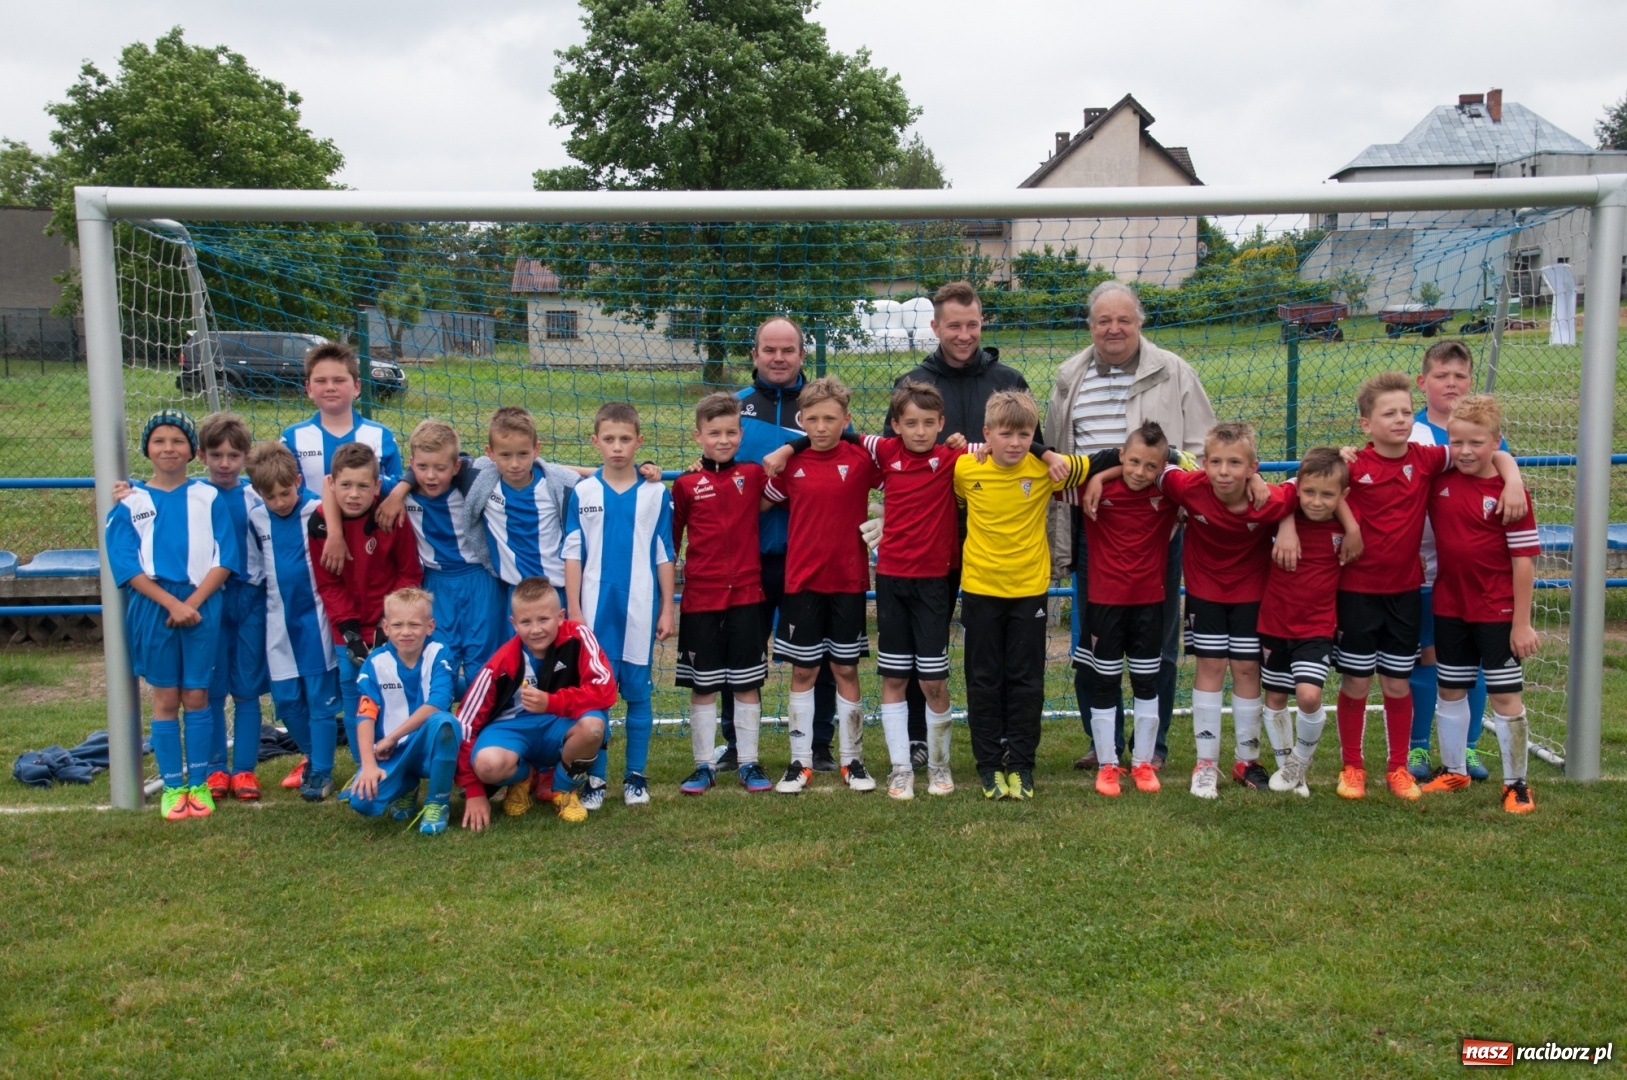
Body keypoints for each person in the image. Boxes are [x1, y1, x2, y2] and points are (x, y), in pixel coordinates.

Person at [1295, 372, 1524, 802]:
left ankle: (1398, 767)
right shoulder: (1351, 465)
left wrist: (1512, 479)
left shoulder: (1428, 458)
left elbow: (1490, 450)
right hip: (1356, 594)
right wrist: (1349, 525)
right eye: (1389, 414)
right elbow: (1302, 491)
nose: (1401, 419)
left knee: (1397, 684)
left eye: (1405, 411)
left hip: (1405, 594)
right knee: (1356, 683)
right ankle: (1352, 766)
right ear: (1366, 424)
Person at [1045, 279, 1215, 772]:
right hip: (1094, 528)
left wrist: (1137, 480)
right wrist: (1091, 483)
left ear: (1140, 323)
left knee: (1156, 640)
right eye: (1104, 320)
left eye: (1124, 319)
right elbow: (1059, 454)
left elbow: (1202, 449)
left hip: (1157, 530)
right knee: (1093, 642)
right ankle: (1102, 742)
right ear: (1090, 326)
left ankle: (1151, 746)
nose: (1114, 328)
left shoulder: (1174, 372)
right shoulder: (1069, 376)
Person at [879, 280, 1029, 767]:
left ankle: (1002, 735)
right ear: (935, 326)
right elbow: (892, 457)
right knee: (925, 643)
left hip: (996, 538)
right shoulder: (912, 383)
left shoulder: (1009, 381)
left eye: (972, 324)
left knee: (996, 645)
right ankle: (917, 737)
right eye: (954, 326)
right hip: (931, 541)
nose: (964, 335)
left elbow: (1031, 446)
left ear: (982, 323)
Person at [954, 390, 1096, 801]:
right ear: (987, 434)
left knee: (1026, 680)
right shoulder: (965, 468)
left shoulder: (1046, 468)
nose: (1015, 443)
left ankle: (1021, 764)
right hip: (980, 590)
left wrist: (1047, 453)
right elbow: (955, 494)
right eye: (1006, 434)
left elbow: (1105, 461)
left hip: (1029, 592)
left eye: (1025, 435)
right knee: (983, 680)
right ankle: (988, 765)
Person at [1150, 422, 1303, 799]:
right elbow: (1159, 469)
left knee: (1248, 669)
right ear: (1203, 464)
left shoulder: (1268, 498)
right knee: (1211, 667)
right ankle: (1206, 763)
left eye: (1235, 463)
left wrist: (1286, 522)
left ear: (1253, 467)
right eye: (1215, 462)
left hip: (1252, 595)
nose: (1223, 471)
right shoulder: (1189, 486)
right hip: (1205, 594)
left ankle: (1246, 760)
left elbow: (1303, 484)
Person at [716, 316, 838, 773]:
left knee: (817, 654)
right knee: (741, 652)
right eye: (770, 349)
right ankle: (736, 745)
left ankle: (819, 744)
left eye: (788, 350)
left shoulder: (823, 412)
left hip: (810, 556)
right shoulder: (735, 409)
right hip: (747, 556)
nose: (779, 358)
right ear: (755, 354)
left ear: (803, 354)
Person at [104, 410, 233, 821]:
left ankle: (199, 783)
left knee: (196, 695)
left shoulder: (209, 497)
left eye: (177, 441)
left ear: (193, 451)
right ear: (147, 449)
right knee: (165, 698)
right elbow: (127, 566)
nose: (168, 448)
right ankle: (173, 786)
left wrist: (191, 603)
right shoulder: (131, 501)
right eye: (159, 441)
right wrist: (173, 604)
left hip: (201, 603)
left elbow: (225, 557)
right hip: (154, 607)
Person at [761, 376, 884, 794]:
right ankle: (800, 762)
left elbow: (902, 485)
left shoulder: (862, 459)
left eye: (830, 418)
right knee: (803, 669)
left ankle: (853, 761)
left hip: (848, 581)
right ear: (802, 420)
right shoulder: (791, 464)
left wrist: (885, 514)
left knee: (846, 668)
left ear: (846, 419)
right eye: (812, 419)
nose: (821, 426)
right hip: (801, 583)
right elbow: (757, 502)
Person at [1419, 395, 1540, 812]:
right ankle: (1454, 770)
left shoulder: (1511, 494)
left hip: (1497, 610)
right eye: (1457, 442)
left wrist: (1521, 623)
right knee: (1450, 688)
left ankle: (1516, 784)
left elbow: (1523, 562)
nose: (1466, 451)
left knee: (1505, 697)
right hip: (1450, 605)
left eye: (1477, 443)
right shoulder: (1440, 480)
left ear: (1496, 442)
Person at [563, 402, 677, 808]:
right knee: (596, 696)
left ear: (639, 441)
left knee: (637, 694)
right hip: (594, 611)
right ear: (594, 441)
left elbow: (665, 552)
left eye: (625, 439)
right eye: (609, 439)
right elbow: (572, 551)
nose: (617, 447)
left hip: (640, 609)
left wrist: (667, 608)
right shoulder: (583, 491)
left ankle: (635, 777)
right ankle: (596, 780)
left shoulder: (655, 492)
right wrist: (574, 609)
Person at [1407, 341, 1506, 782]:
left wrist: (1513, 479)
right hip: (1420, 569)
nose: (1451, 383)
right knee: (1424, 657)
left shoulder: (1482, 432)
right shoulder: (1411, 432)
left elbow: (1501, 462)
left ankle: (1467, 747)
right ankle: (1417, 746)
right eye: (1442, 376)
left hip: (1473, 573)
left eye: (1460, 376)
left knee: (1474, 662)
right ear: (1422, 382)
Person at [454, 576, 618, 829]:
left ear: (560, 617)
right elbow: (466, 722)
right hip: (513, 728)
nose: (536, 629)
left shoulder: (578, 637)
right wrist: (474, 790)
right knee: (487, 765)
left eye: (543, 619)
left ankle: (563, 789)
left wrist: (551, 702)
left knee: (594, 727)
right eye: (526, 622)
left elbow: (605, 691)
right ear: (513, 623)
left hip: (559, 723)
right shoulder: (503, 662)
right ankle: (523, 776)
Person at [671, 393, 773, 796]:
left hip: (747, 595)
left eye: (731, 432)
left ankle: (748, 762)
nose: (723, 440)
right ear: (698, 436)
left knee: (747, 683)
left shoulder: (753, 474)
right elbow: (671, 541)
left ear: (741, 434)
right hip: (701, 599)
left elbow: (785, 486)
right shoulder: (685, 484)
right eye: (714, 433)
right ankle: (703, 765)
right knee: (704, 686)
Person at [1075, 421, 1181, 797]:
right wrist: (1101, 476)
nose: (1139, 472)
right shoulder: (1091, 490)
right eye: (1133, 462)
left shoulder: (1169, 493)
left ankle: (1142, 764)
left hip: (1150, 605)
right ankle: (1107, 766)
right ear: (1121, 456)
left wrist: (1106, 472)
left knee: (1146, 682)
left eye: (1151, 466)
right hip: (1104, 605)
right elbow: (1047, 475)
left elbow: (1198, 473)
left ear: (1162, 467)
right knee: (1104, 682)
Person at [308, 442, 424, 770]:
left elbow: (409, 572)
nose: (354, 494)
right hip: (349, 629)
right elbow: (329, 584)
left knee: (398, 689)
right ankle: (364, 767)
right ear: (332, 485)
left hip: (391, 624)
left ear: (376, 486)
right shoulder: (320, 525)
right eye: (345, 485)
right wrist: (350, 633)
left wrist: (390, 623)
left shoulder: (390, 516)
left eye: (363, 486)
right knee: (354, 692)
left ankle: (401, 765)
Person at [245, 442, 343, 801]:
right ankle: (314, 756)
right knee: (286, 700)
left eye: (285, 493)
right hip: (278, 621)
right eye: (270, 496)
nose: (280, 502)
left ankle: (322, 771)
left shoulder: (318, 511)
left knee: (319, 700)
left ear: (298, 481)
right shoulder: (256, 518)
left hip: (316, 620)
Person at [1262, 448, 1354, 797]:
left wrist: (1353, 527)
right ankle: (1287, 769)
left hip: (1316, 628)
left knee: (1309, 696)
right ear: (1298, 489)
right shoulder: (1279, 516)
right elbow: (1273, 491)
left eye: (1327, 495)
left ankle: (1299, 762)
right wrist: (1286, 520)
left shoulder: (1345, 525)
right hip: (1274, 622)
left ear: (1343, 496)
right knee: (1275, 697)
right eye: (1309, 492)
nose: (1316, 501)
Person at [393, 419, 507, 699]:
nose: (431, 476)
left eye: (440, 468)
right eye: (422, 467)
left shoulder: (473, 488)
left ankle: (482, 722)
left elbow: (520, 467)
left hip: (479, 582)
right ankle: (440, 723)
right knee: (440, 663)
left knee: (481, 665)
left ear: (455, 467)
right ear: (411, 464)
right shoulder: (400, 495)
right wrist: (398, 490)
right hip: (435, 585)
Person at [194, 413, 269, 801]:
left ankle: (243, 770)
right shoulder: (193, 497)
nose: (225, 464)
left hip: (251, 600)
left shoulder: (256, 496)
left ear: (245, 456)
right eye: (216, 455)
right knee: (211, 688)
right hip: (210, 601)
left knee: (246, 689)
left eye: (233, 456)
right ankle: (214, 769)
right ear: (201, 456)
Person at [279, 342, 402, 575]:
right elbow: (287, 493)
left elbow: (395, 487)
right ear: (308, 388)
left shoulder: (381, 436)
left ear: (357, 387)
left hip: (369, 548)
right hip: (312, 544)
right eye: (321, 381)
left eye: (339, 380)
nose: (330, 387)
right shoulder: (292, 437)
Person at [348, 588, 460, 835]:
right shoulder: (376, 662)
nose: (406, 632)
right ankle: (407, 784)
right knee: (362, 801)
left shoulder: (438, 652)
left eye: (414, 624)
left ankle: (438, 802)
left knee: (445, 723)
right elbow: (365, 714)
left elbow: (437, 703)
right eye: (398, 625)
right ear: (386, 628)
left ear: (430, 626)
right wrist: (368, 764)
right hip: (393, 751)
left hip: (425, 744)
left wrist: (391, 737)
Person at [464, 406, 581, 612]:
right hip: (515, 594)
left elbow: (601, 479)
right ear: (490, 453)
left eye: (523, 454)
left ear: (536, 450)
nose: (515, 464)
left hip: (557, 592)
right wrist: (404, 487)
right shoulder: (480, 480)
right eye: (505, 455)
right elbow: (441, 460)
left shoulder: (560, 485)